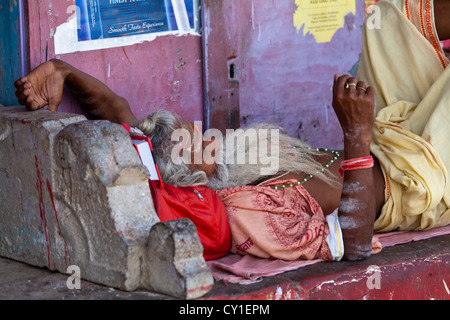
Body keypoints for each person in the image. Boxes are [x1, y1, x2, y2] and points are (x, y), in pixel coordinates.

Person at [13, 0, 450, 262]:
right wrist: (354, 134)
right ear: (194, 178)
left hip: (389, 139)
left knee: (391, 17)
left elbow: (118, 111)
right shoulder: (246, 210)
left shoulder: (209, 165)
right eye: (199, 144)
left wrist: (64, 70)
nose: (209, 136)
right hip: (420, 184)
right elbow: (354, 244)